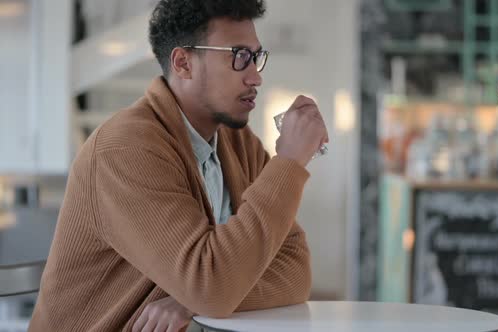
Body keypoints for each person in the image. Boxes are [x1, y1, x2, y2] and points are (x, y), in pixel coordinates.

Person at [29, 0, 329, 330]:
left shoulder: (237, 142)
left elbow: (296, 271)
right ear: (183, 63)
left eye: (255, 57)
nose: (255, 76)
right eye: (239, 56)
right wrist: (287, 163)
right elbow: (211, 287)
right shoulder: (125, 151)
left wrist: (193, 300)